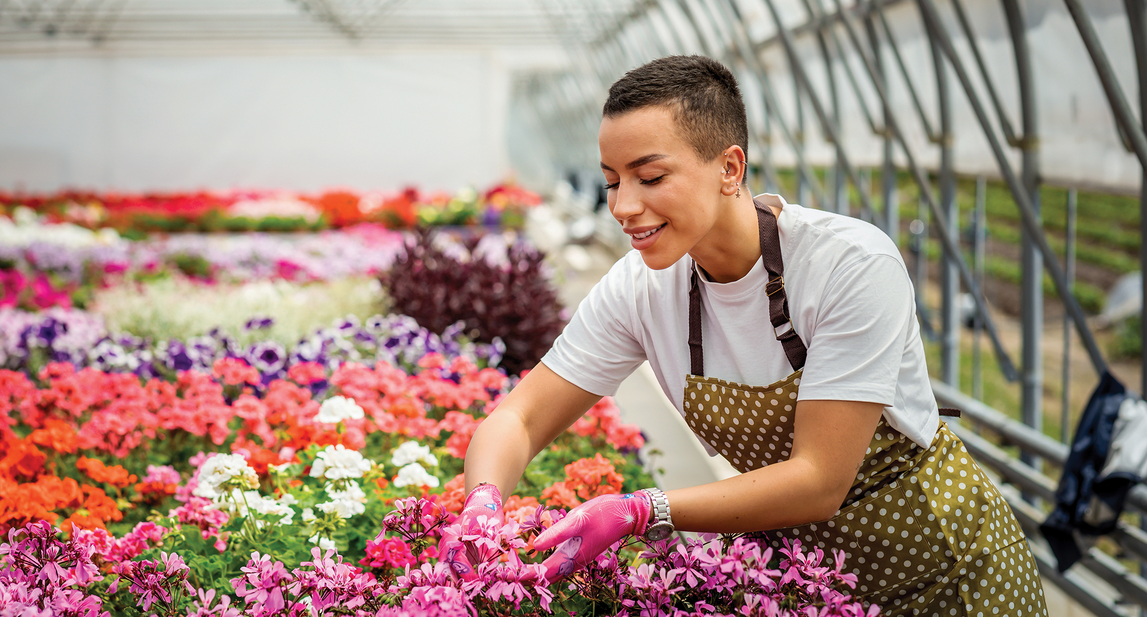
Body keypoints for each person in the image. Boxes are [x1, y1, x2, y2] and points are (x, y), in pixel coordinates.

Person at [448, 55, 1047, 616]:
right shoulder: (640, 288)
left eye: (650, 176)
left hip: (947, 574)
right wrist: (481, 507)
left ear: (729, 169)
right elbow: (520, 419)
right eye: (610, 181)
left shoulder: (849, 265)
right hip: (811, 587)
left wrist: (639, 510)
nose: (624, 206)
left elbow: (818, 479)